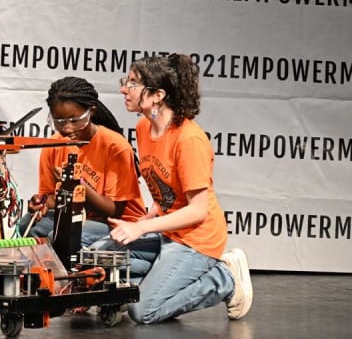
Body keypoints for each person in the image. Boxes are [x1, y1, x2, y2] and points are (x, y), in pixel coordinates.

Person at [98, 53, 252, 324]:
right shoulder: (144, 126)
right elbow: (165, 184)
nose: (124, 88)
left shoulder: (190, 140)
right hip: (167, 233)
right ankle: (156, 280)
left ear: (157, 95)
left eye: (133, 83)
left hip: (196, 241)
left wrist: (141, 228)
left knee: (143, 311)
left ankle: (225, 278)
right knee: (99, 259)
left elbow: (197, 211)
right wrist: (151, 215)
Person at [18, 76, 146, 248]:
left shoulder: (115, 146)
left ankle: (60, 274)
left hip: (117, 222)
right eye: (59, 122)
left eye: (75, 120)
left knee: (60, 235)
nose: (67, 128)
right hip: (75, 215)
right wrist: (41, 203)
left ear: (91, 112)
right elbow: (52, 199)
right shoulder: (54, 144)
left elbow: (113, 210)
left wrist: (78, 185)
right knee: (28, 226)